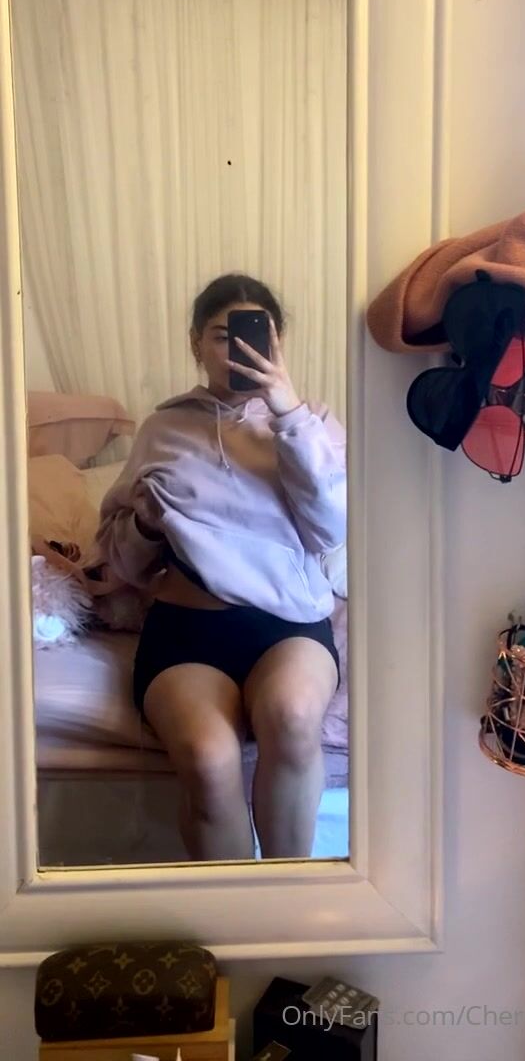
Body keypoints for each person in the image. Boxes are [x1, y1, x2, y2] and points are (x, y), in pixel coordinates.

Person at [96, 274, 346, 862]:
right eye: (220, 336)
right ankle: (234, 909)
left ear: (277, 342)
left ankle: (286, 894)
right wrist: (145, 525)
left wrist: (286, 413)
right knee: (208, 760)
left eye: (256, 335)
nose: (238, 350)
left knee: (292, 716)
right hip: (187, 628)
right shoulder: (163, 429)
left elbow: (331, 528)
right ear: (196, 344)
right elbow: (119, 560)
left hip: (287, 625)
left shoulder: (312, 423)